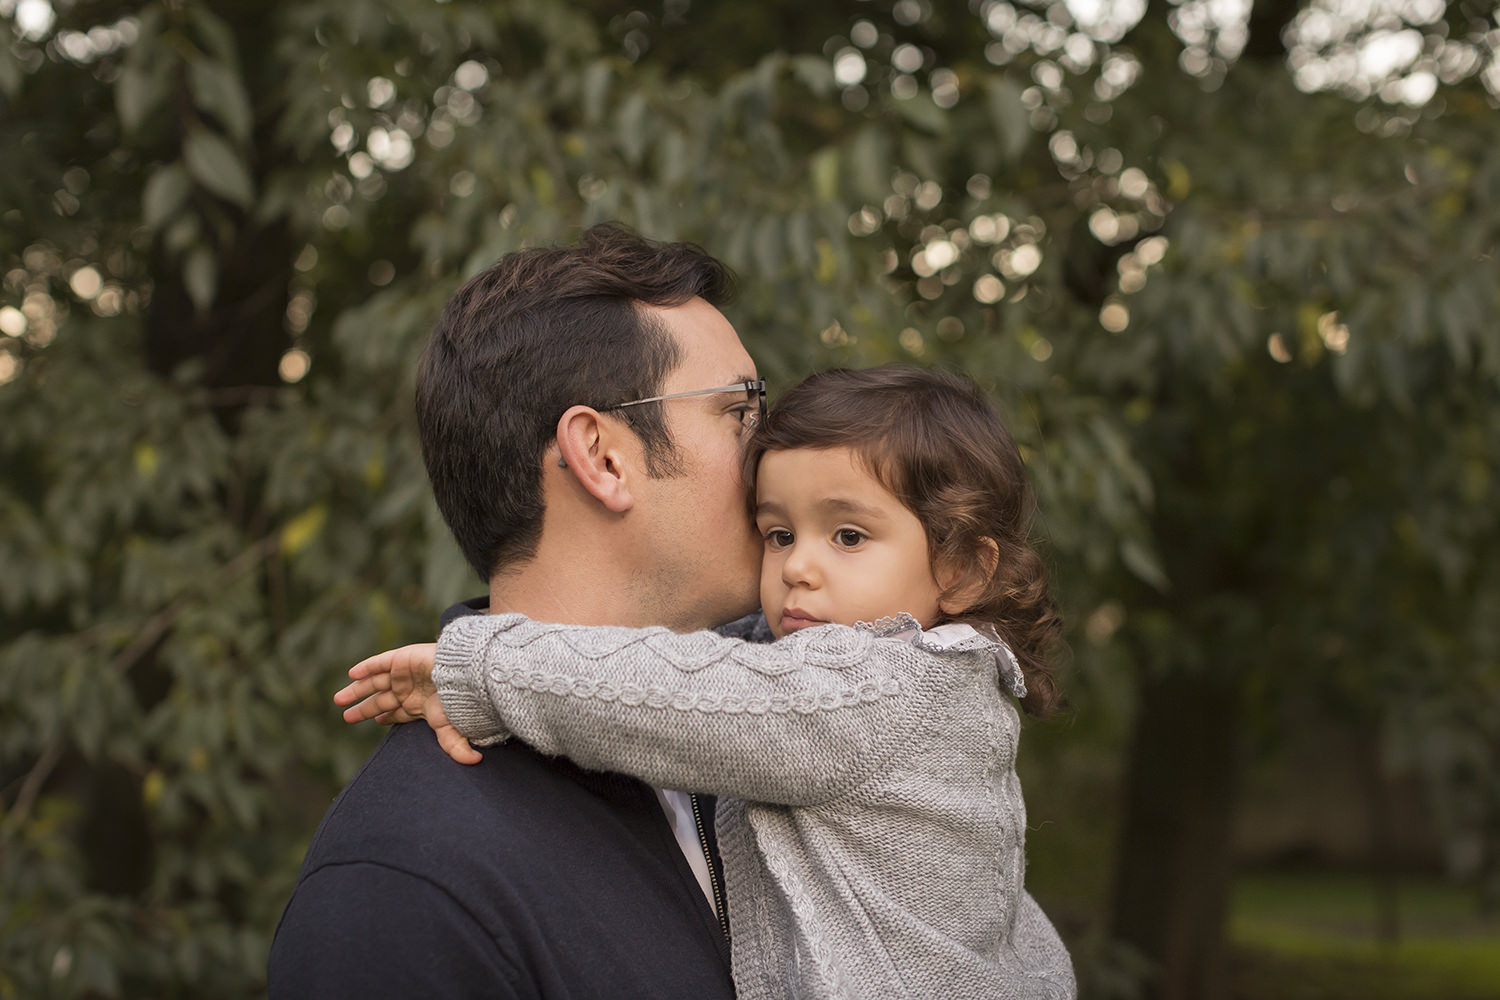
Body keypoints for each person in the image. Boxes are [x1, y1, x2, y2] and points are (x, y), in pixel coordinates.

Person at [339, 366, 1078, 999]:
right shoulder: (937, 684)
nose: (797, 566)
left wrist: (481, 668)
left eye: (848, 536)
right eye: (778, 534)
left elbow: (681, 697)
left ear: (962, 570)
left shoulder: (887, 693)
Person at [267, 224, 765, 998]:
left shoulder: (770, 745)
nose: (778, 450)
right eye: (740, 412)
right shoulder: (407, 886)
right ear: (601, 457)